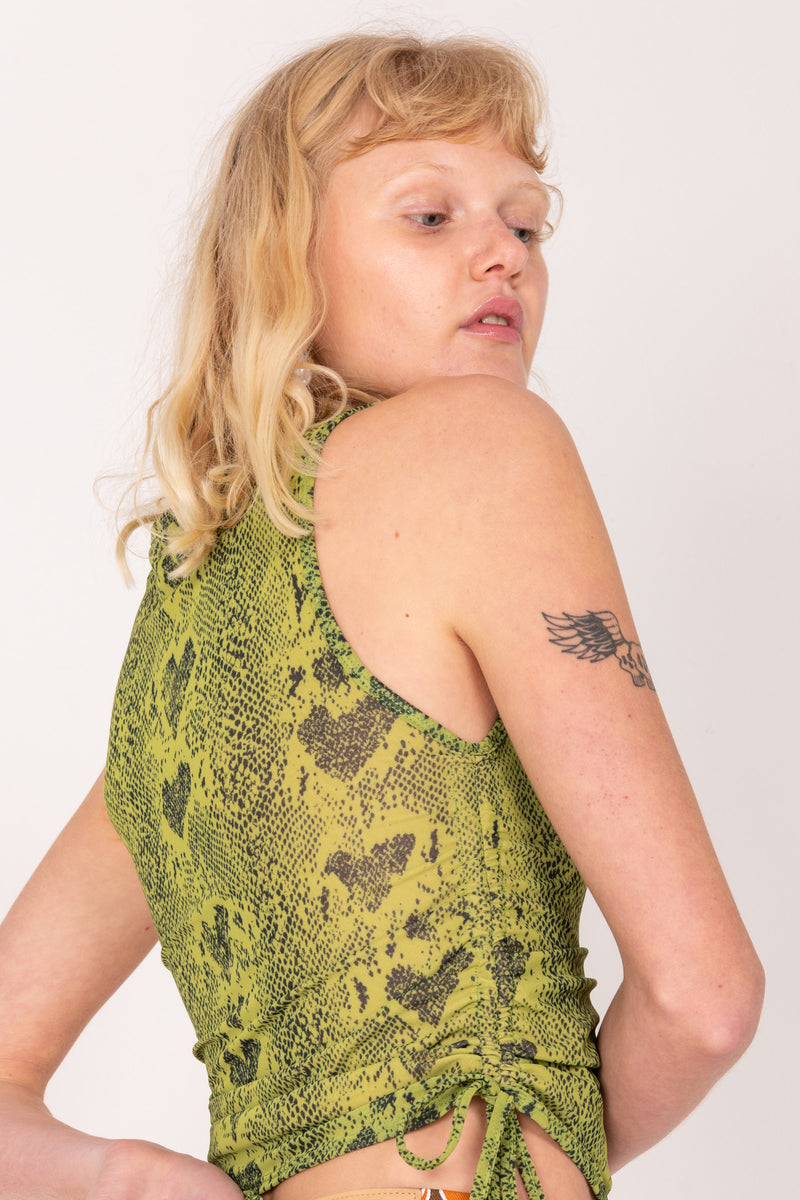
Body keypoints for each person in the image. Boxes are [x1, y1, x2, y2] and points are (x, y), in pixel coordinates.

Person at [0, 31, 764, 1200]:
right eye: (429, 216)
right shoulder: (487, 445)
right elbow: (705, 1003)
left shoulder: (190, 632)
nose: (501, 257)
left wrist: (129, 1180)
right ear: (280, 260)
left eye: (525, 222)